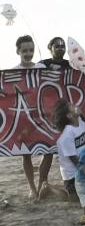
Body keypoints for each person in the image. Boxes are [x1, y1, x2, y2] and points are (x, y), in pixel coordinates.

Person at [12, 35, 52, 199]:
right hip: (23, 116)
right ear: (18, 51)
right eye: (25, 51)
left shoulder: (41, 67)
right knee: (26, 153)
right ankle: (32, 188)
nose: (28, 53)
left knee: (48, 150)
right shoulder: (13, 71)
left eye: (31, 50)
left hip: (42, 115)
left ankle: (43, 183)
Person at [53, 99, 85, 200]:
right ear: (69, 116)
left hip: (83, 167)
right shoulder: (67, 135)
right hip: (72, 175)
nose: (76, 106)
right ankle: (49, 188)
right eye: (72, 106)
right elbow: (75, 160)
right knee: (74, 200)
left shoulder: (80, 122)